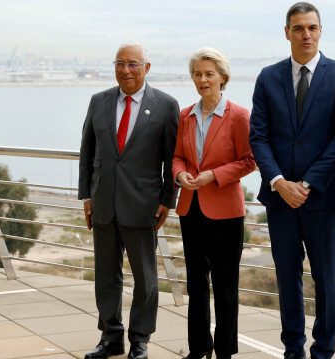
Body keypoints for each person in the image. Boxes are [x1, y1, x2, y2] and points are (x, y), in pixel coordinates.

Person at [249, 3, 335, 359]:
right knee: (288, 280)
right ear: (287, 33)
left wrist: (307, 184)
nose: (306, 34)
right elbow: (259, 137)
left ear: (321, 31)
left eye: (312, 27)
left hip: (323, 199)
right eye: (298, 28)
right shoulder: (268, 76)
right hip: (279, 199)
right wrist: (280, 182)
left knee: (326, 281)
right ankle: (292, 351)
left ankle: (323, 352)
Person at [78, 42, 179, 359]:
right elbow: (87, 151)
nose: (125, 70)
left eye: (133, 64)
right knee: (105, 276)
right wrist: (86, 196)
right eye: (120, 64)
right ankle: (110, 337)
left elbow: (171, 158)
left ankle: (140, 339)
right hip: (104, 201)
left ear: (147, 67)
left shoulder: (165, 105)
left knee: (146, 278)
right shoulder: (99, 101)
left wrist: (167, 199)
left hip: (144, 203)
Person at [173, 47, 256, 359]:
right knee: (196, 284)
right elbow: (178, 156)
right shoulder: (185, 116)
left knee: (225, 287)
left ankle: (224, 351)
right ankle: (198, 349)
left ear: (224, 77)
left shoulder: (239, 116)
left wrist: (214, 175)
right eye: (197, 74)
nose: (203, 79)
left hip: (226, 212)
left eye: (209, 73)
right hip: (190, 207)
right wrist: (180, 175)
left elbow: (250, 161)